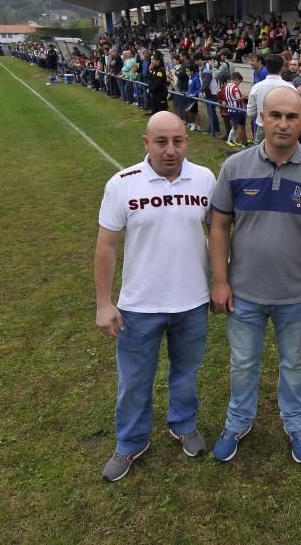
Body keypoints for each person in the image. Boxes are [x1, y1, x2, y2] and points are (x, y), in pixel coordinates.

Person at [209, 87, 301, 464]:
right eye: (275, 115)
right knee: (243, 362)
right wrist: (220, 280)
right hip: (244, 292)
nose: (282, 124)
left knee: (294, 364)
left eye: (291, 116)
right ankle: (238, 420)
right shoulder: (235, 167)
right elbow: (218, 227)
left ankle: (295, 421)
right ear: (261, 117)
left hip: (296, 294)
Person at [94, 112, 217, 482]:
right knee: (134, 381)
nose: (170, 150)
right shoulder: (122, 184)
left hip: (192, 302)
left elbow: (219, 233)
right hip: (139, 306)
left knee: (186, 374)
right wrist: (104, 302)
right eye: (161, 142)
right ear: (146, 143)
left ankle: (183, 424)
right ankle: (130, 442)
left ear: (186, 141)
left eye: (178, 141)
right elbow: (106, 246)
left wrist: (222, 280)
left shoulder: (205, 178)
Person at [247, 54, 297, 142]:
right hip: (283, 129)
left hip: (263, 127)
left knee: (260, 155)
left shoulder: (257, 87)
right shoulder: (290, 87)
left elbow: (250, 112)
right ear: (282, 67)